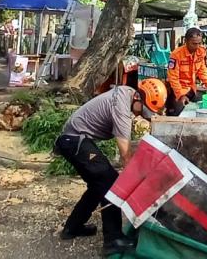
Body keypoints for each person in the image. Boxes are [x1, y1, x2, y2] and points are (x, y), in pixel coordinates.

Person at [53, 78, 167, 257]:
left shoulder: (126, 94)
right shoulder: (121, 108)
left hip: (75, 140)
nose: (141, 116)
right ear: (138, 97)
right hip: (75, 141)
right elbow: (125, 154)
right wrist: (138, 181)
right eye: (143, 110)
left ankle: (72, 228)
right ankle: (113, 240)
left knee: (97, 186)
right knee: (110, 183)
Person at [166, 27, 207, 115]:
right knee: (177, 113)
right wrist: (181, 95)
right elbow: (173, 78)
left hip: (192, 89)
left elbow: (202, 72)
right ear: (186, 41)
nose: (197, 46)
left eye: (199, 43)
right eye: (194, 44)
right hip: (177, 91)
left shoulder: (201, 51)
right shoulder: (176, 55)